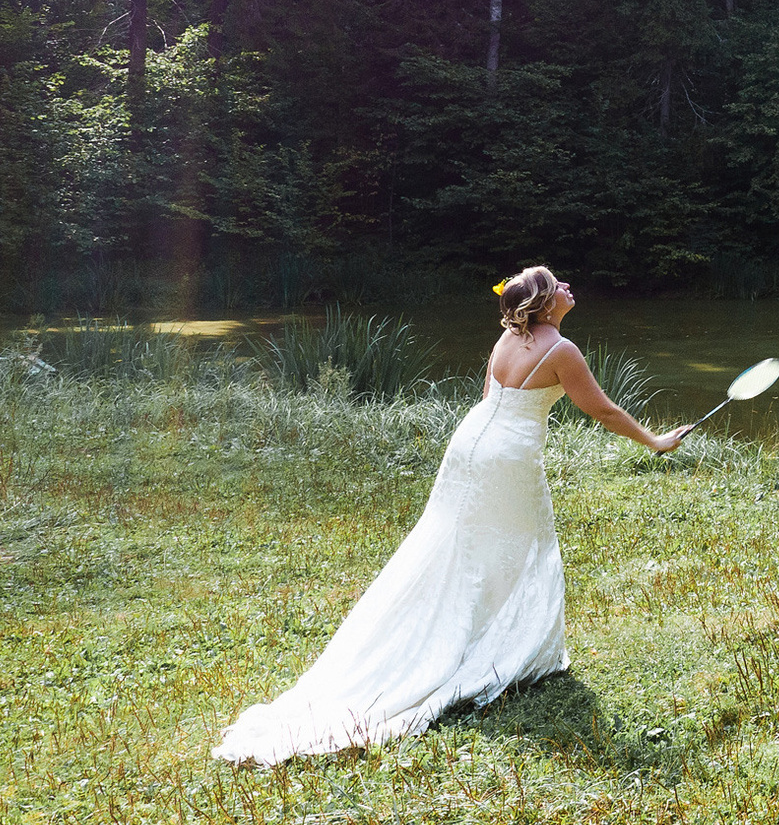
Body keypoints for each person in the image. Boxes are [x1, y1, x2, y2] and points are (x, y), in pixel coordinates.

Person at [214, 267, 690, 766]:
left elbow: (489, 399)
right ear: (546, 304)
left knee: (459, 544)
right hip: (507, 456)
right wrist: (655, 441)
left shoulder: (508, 338)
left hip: (469, 445)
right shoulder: (562, 350)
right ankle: (502, 646)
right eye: (559, 285)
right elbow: (604, 411)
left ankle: (479, 630)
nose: (568, 287)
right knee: (520, 546)